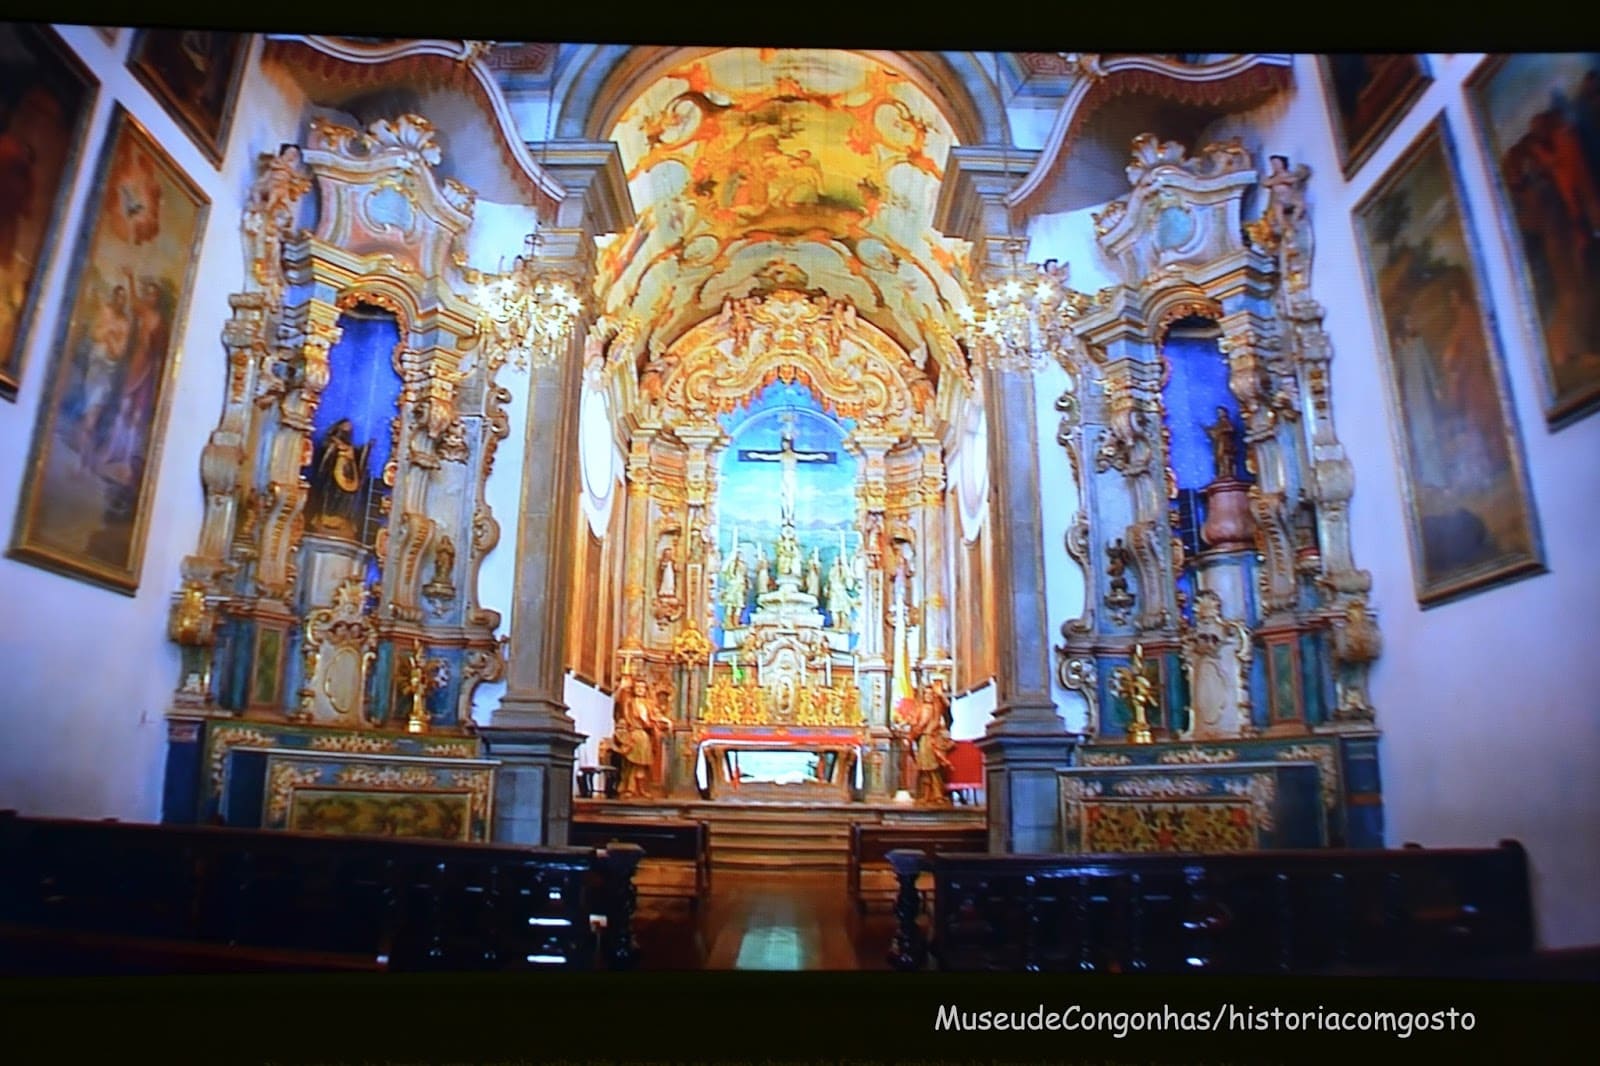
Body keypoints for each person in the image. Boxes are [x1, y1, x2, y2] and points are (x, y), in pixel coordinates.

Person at [306, 418, 369, 538]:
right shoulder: (332, 442)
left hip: (347, 476)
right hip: (331, 477)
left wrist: (364, 450)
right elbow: (325, 456)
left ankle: (340, 519)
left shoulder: (350, 447)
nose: (346, 433)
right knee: (330, 495)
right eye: (344, 430)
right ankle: (326, 517)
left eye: (349, 431)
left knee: (344, 498)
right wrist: (334, 450)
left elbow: (357, 458)